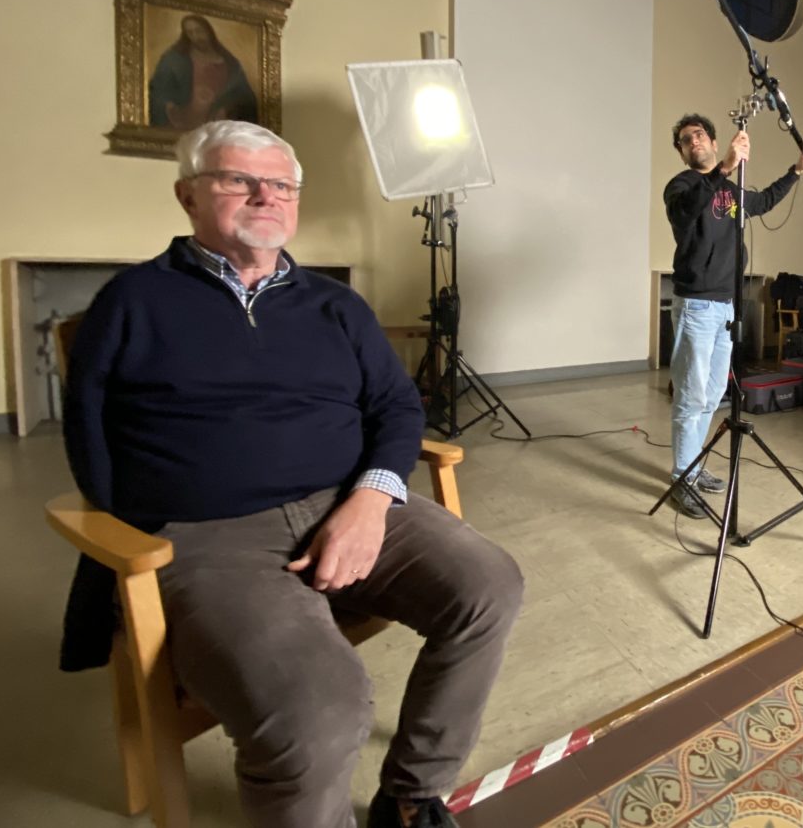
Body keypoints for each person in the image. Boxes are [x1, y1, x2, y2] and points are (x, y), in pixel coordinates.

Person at [61, 120, 523, 828]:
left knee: (489, 585)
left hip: (348, 498)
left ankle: (412, 791)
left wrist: (371, 499)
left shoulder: (336, 305)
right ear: (188, 195)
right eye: (238, 180)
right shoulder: (130, 303)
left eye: (281, 184)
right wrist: (147, 531)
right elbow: (88, 440)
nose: (265, 196)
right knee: (318, 707)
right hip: (209, 536)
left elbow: (398, 406)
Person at [663, 113, 803, 515]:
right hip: (696, 306)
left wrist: (796, 171)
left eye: (699, 135)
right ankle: (682, 477)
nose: (694, 141)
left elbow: (762, 202)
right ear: (682, 152)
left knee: (713, 395)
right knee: (691, 395)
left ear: (713, 142)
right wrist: (726, 168)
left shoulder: (732, 190)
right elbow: (687, 211)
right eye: (685, 140)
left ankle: (693, 467)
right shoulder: (681, 186)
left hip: (726, 306)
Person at [148, 14, 259, 130]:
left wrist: (227, 108)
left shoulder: (231, 63)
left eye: (199, 31)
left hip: (219, 126)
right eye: (190, 33)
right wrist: (169, 106)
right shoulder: (174, 60)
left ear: (209, 31)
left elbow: (245, 97)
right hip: (184, 122)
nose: (196, 37)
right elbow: (158, 90)